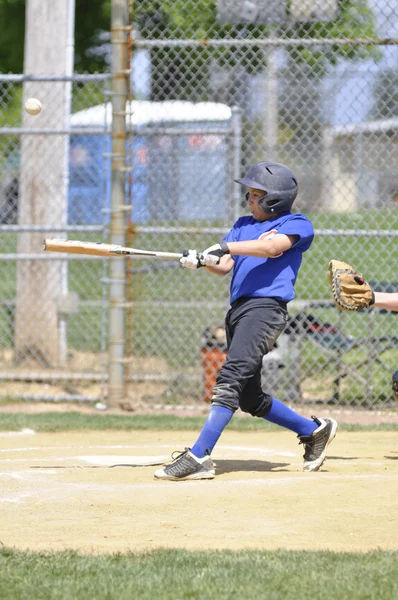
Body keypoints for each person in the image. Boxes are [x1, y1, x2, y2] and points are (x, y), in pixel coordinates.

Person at [155, 161, 338, 481]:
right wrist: (202, 261)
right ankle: (314, 431)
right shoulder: (242, 224)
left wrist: (225, 246)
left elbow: (271, 248)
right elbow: (225, 265)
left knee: (231, 376)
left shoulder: (297, 224)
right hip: (238, 311)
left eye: (254, 196)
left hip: (266, 310)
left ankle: (199, 455)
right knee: (249, 397)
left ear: (273, 200)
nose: (248, 201)